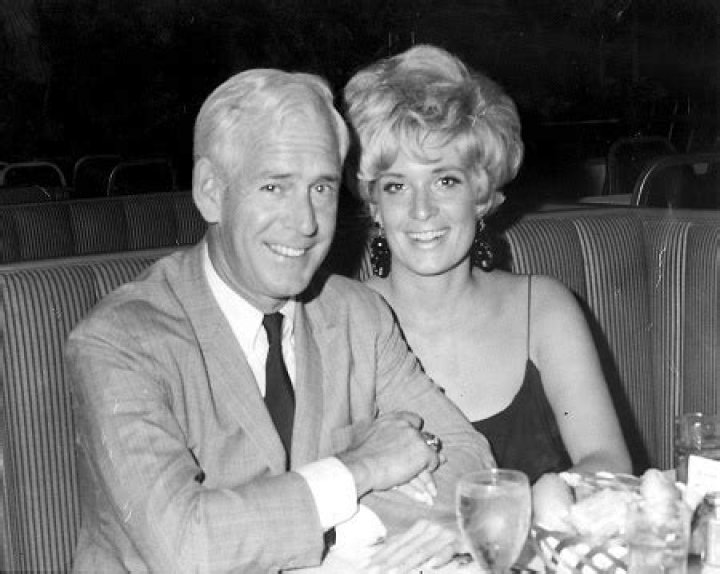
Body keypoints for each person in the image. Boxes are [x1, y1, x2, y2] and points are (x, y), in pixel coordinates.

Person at [67, 68, 494, 573]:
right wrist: (361, 469)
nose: (306, 222)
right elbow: (187, 547)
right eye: (274, 186)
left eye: (322, 188)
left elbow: (470, 461)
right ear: (210, 191)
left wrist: (341, 521)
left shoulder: (356, 314)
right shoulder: (120, 341)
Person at [343, 44, 631, 525]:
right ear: (373, 205)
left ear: (481, 195)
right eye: (396, 185)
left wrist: (507, 518)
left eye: (445, 181)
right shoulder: (341, 319)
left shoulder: (544, 309)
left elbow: (610, 466)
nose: (421, 210)